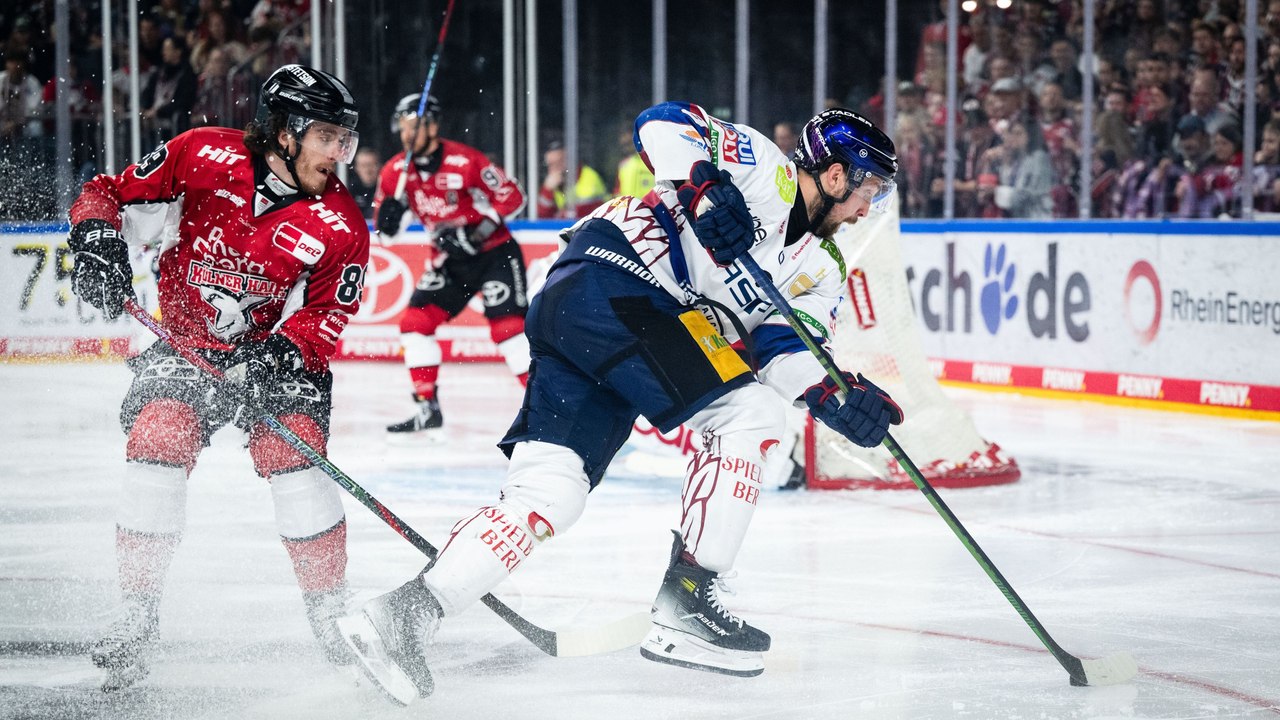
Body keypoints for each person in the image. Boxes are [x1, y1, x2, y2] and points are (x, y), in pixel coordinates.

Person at [337, 102, 905, 705]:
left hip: (591, 312)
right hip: (620, 279)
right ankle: (689, 597)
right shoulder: (767, 168)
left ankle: (402, 616)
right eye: (870, 188)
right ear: (837, 174)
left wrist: (831, 395)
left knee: (551, 494)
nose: (871, 206)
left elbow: (779, 347)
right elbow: (661, 122)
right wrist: (705, 185)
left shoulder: (823, 266)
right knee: (751, 413)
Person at [67, 63, 370, 690]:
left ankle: (330, 613)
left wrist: (278, 357)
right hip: (186, 343)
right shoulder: (199, 155)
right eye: (327, 137)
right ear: (285, 132)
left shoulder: (341, 223)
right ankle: (136, 612)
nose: (340, 153)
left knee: (294, 453)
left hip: (275, 355)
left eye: (347, 139)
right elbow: (105, 193)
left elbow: (327, 316)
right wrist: (96, 238)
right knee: (157, 437)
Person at [374, 94, 529, 434]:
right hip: (451, 261)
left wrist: (475, 235)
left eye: (414, 126)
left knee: (508, 332)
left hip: (494, 255)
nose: (407, 134)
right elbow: (387, 238)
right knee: (415, 324)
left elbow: (513, 197)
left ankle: (543, 407)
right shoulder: (394, 173)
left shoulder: (465, 160)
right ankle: (426, 408)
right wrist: (389, 220)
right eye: (403, 127)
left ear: (432, 125)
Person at [536, 139, 608, 218]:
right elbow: (542, 215)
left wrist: (559, 215)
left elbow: (583, 214)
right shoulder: (556, 183)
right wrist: (547, 190)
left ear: (570, 161)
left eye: (558, 163)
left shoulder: (588, 177)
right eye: (550, 164)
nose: (554, 169)